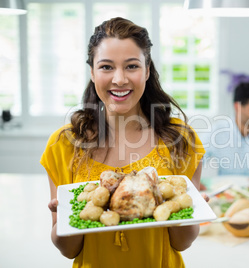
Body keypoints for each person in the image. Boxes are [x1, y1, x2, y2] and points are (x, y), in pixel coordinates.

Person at [40, 17, 205, 268]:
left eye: (131, 66)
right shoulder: (63, 144)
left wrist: (191, 210)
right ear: (92, 72)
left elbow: (182, 243)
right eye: (106, 67)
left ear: (147, 70)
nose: (119, 79)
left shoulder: (180, 139)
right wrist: (62, 216)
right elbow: (69, 250)